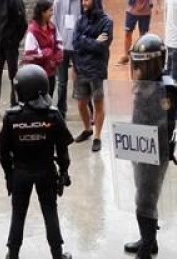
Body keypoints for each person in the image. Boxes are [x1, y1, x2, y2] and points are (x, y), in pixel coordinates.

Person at [0, 64, 74, 259]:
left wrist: (8, 176)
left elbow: (3, 153)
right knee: (50, 212)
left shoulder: (12, 117)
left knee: (18, 214)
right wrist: (64, 173)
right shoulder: (52, 115)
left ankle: (13, 257)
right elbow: (64, 151)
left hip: (20, 173)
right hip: (46, 171)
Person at [123, 34, 177, 259]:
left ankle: (145, 255)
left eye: (145, 64)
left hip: (155, 150)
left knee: (144, 203)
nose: (140, 69)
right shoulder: (144, 83)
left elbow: (161, 126)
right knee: (143, 194)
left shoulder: (166, 88)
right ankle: (149, 240)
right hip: (141, 146)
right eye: (138, 64)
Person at [72, 0, 113, 152]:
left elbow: (102, 46)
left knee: (98, 104)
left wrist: (84, 41)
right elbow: (75, 42)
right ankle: (87, 129)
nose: (84, 2)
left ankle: (97, 136)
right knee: (81, 103)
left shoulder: (107, 22)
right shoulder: (80, 20)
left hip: (96, 71)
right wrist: (92, 42)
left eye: (87, 0)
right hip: (81, 68)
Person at [23, 0, 64, 97]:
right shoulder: (33, 31)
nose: (52, 13)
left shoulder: (52, 27)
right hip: (37, 75)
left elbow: (59, 44)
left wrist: (55, 60)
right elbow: (30, 53)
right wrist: (47, 53)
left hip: (51, 72)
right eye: (50, 11)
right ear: (43, 12)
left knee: (49, 97)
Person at [53, 0, 81, 118]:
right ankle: (61, 110)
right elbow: (55, 24)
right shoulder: (58, 2)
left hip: (78, 46)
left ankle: (87, 109)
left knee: (82, 79)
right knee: (62, 81)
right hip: (62, 46)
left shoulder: (82, 3)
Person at [117, 0, 155, 66]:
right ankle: (125, 55)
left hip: (145, 12)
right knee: (128, 33)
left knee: (143, 36)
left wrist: (157, 5)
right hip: (131, 11)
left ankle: (141, 56)